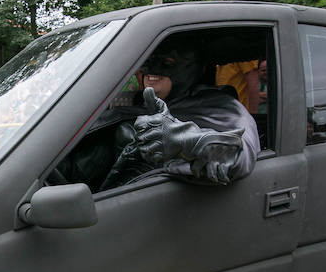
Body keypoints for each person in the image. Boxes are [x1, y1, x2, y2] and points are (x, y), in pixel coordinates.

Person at [102, 40, 261, 187]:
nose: (150, 68)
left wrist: (191, 142)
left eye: (169, 61)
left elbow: (242, 147)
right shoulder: (135, 103)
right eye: (146, 59)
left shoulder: (218, 106)